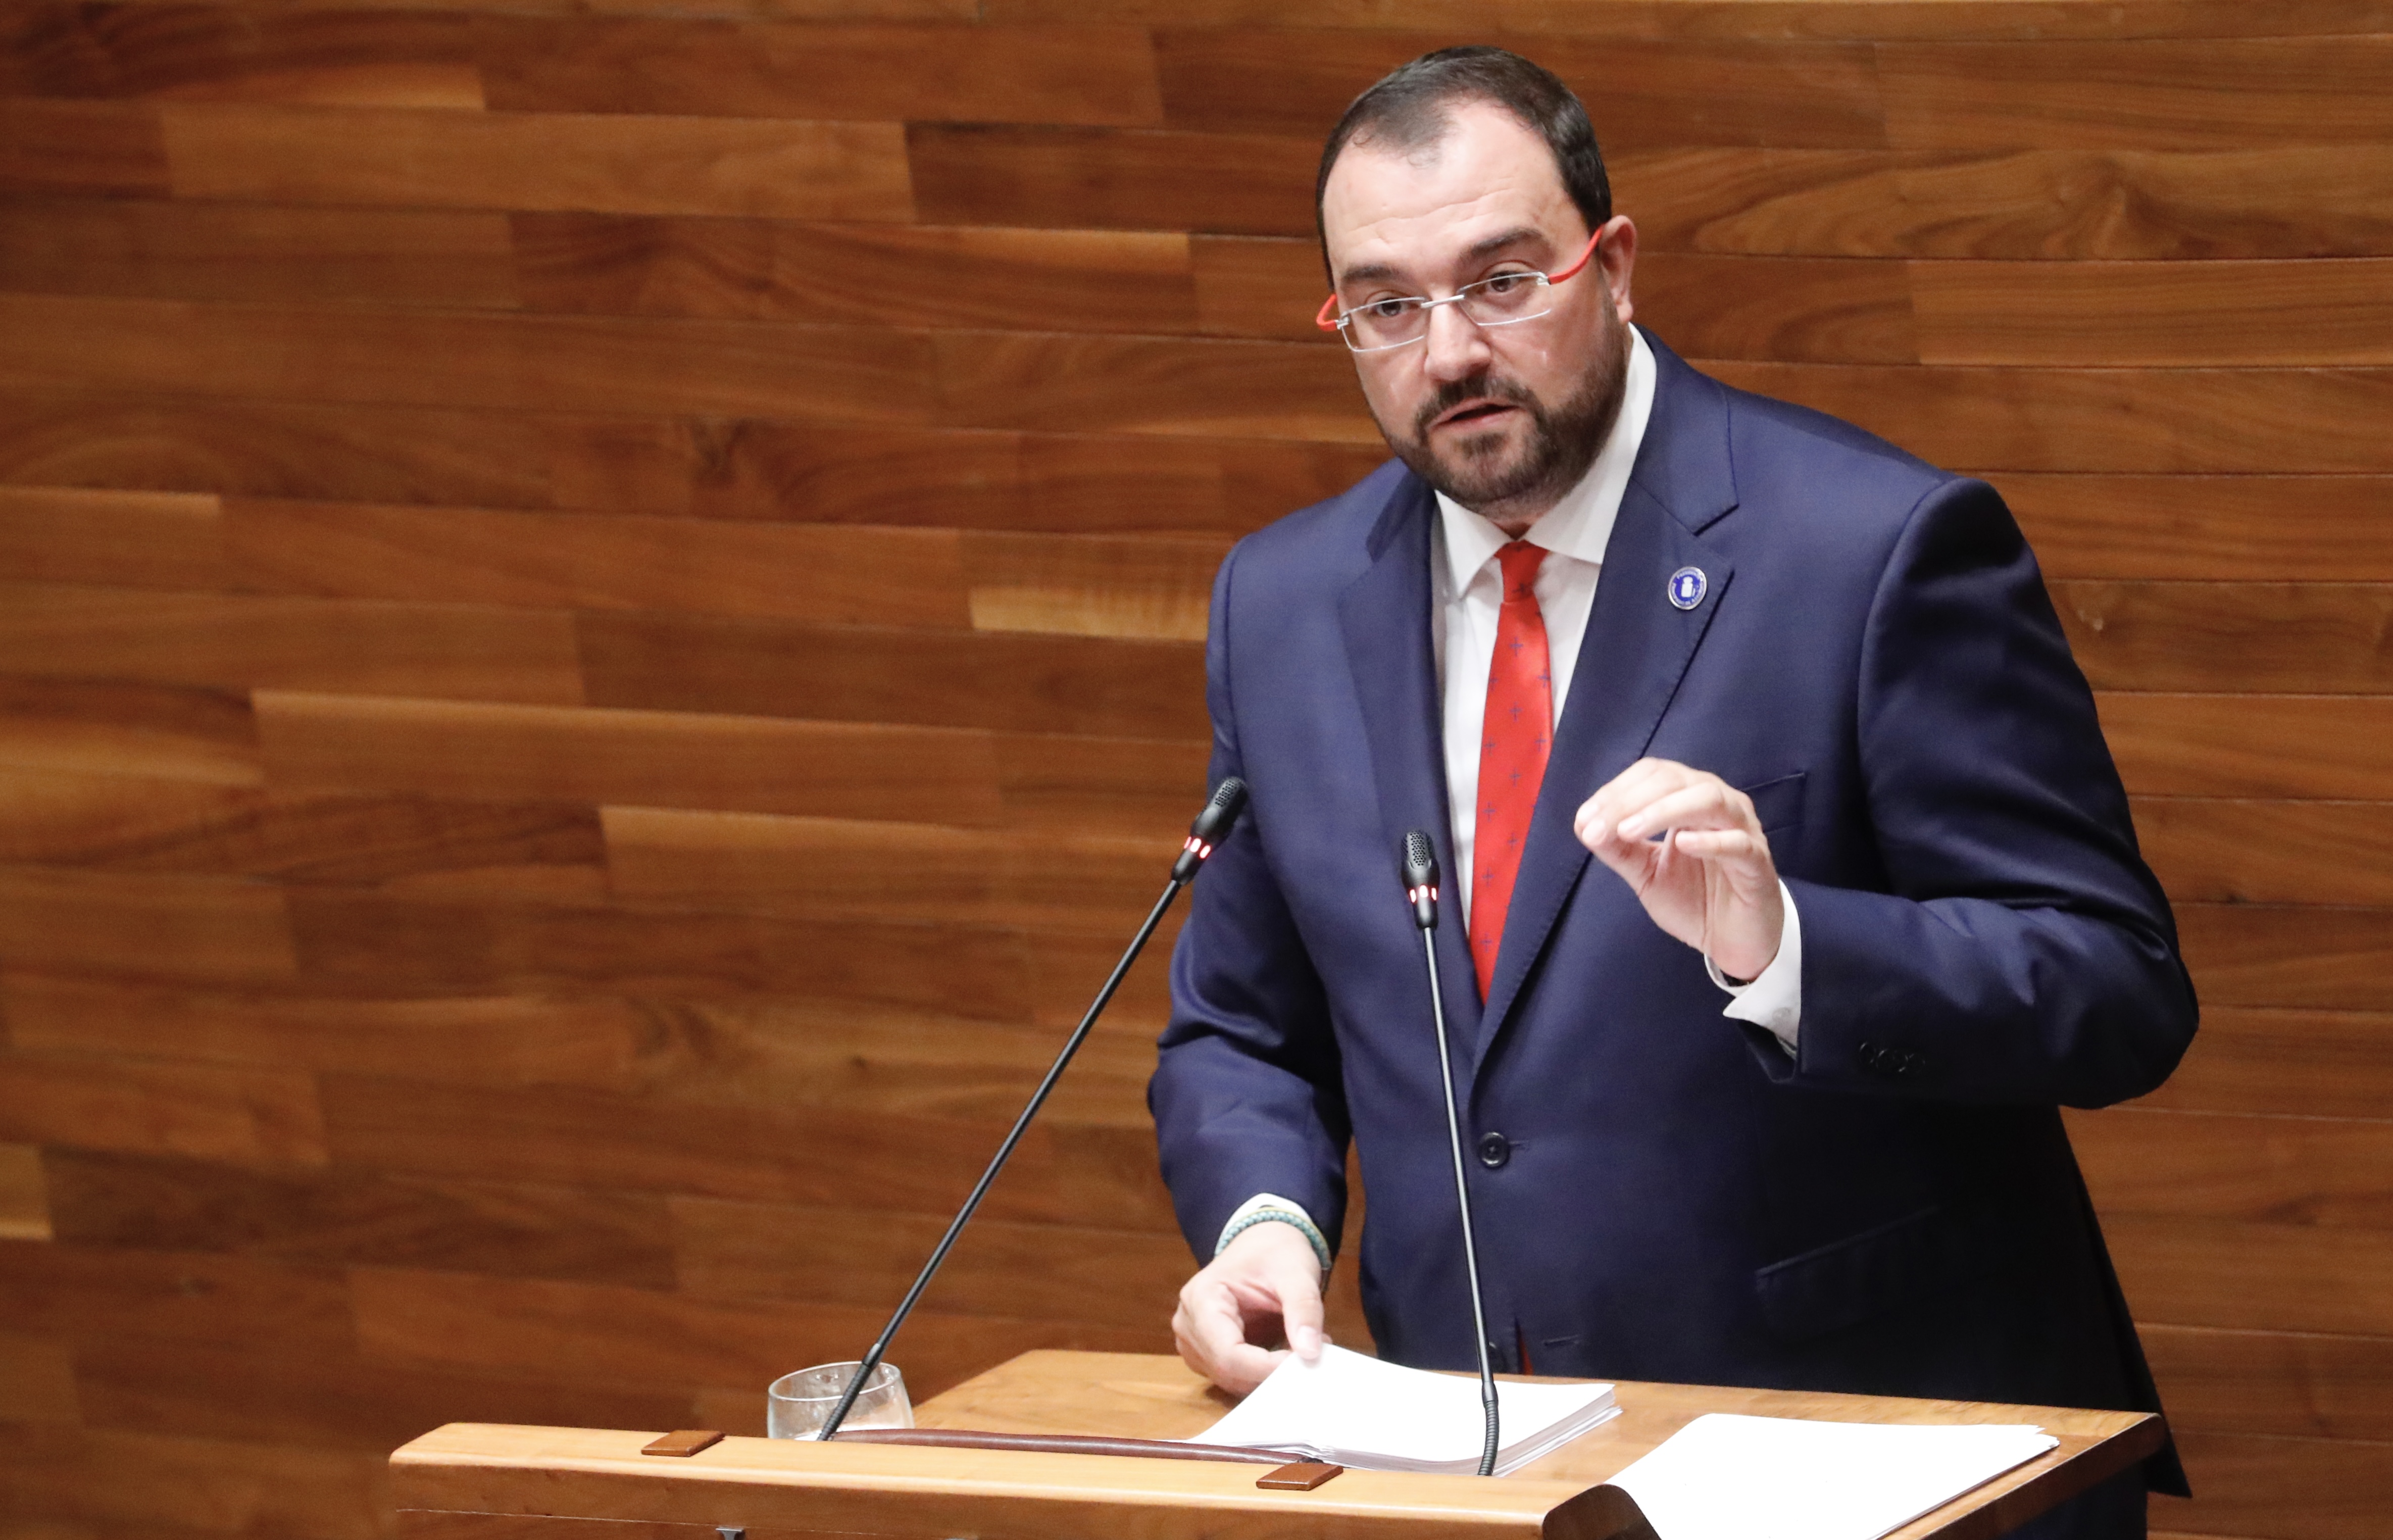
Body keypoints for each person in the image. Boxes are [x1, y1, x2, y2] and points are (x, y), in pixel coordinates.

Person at [1148, 47, 2197, 1537]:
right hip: (1484, 1473)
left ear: (1615, 266)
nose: (1448, 353)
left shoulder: (1873, 549)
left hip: (1866, 1453)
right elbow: (1243, 1028)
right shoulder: (1284, 601)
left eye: (1502, 282)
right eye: (1386, 305)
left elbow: (2114, 987)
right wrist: (1264, 1223)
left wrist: (1789, 948)